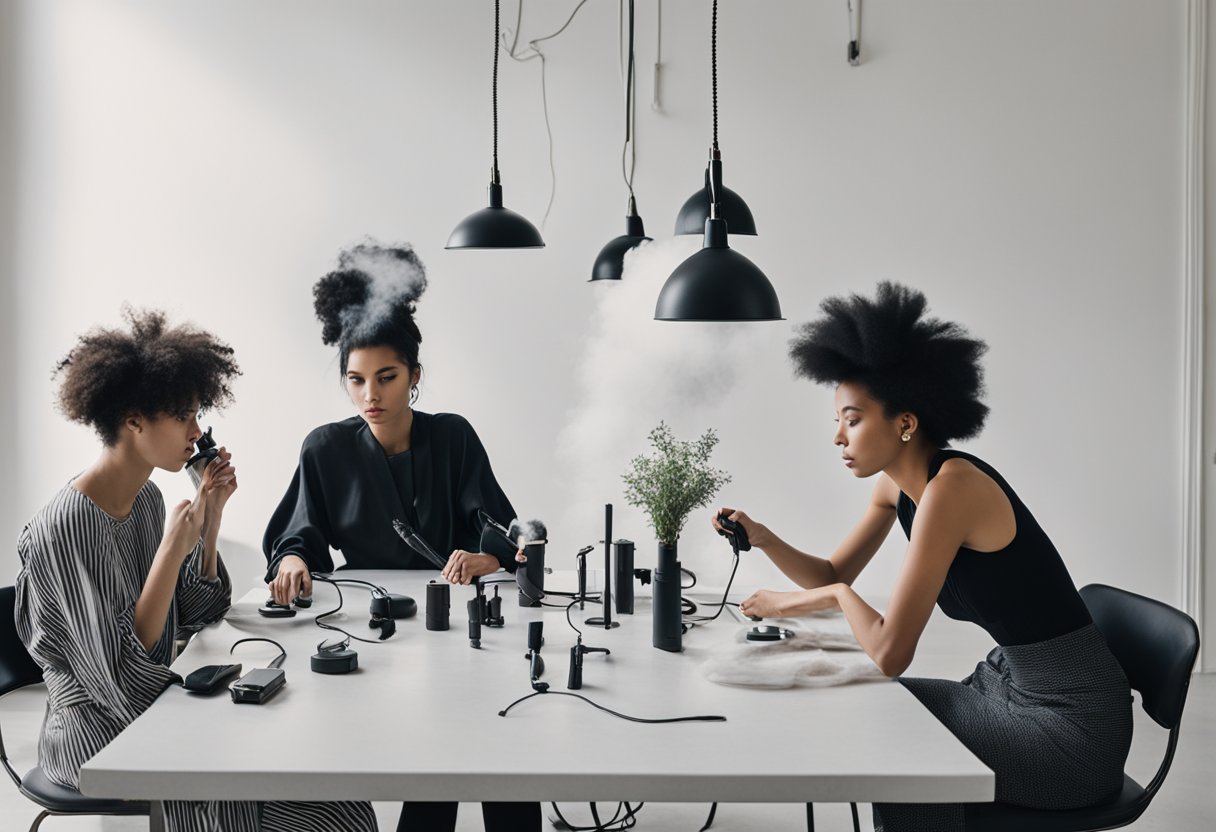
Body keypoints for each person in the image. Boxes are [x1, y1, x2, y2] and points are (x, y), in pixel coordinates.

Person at [714, 283, 1132, 832]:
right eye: (838, 419)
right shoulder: (898, 489)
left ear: (905, 423)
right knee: (874, 708)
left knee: (894, 726)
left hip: (1072, 734)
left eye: (853, 418)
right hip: (1008, 691)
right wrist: (764, 537)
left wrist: (827, 599)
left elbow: (889, 652)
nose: (838, 436)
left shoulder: (952, 489)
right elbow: (833, 573)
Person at [14, 309, 376, 832]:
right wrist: (168, 554)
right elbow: (119, 682)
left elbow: (195, 616)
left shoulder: (145, 502)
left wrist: (209, 519)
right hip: (94, 735)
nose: (197, 430)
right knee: (335, 819)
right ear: (134, 419)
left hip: (157, 705)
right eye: (184, 415)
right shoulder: (66, 527)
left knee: (345, 805)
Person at [262, 242, 540, 832]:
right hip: (379, 633)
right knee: (429, 760)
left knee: (499, 747)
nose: (371, 396)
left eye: (387, 377)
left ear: (415, 376)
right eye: (356, 380)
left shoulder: (454, 437)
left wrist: (486, 559)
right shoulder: (325, 448)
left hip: (463, 627)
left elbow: (508, 540)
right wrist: (290, 559)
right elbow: (299, 534)